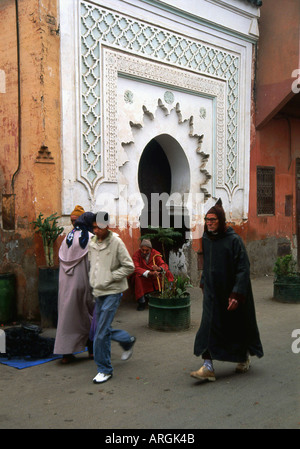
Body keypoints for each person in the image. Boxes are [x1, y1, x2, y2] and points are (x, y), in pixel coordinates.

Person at [191, 199, 263, 382]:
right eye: (207, 220)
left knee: (235, 327)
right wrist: (203, 282)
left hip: (230, 294)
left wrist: (236, 294)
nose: (209, 223)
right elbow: (206, 264)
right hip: (212, 294)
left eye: (213, 220)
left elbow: (243, 268)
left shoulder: (234, 241)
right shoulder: (206, 239)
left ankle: (243, 356)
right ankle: (208, 366)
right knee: (206, 327)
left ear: (221, 220)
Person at [88, 211, 136, 384]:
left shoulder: (116, 242)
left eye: (98, 227)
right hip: (98, 291)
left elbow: (129, 266)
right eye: (93, 227)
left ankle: (104, 369)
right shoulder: (92, 243)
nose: (95, 231)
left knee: (100, 332)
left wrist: (110, 276)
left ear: (106, 226)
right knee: (102, 330)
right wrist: (94, 281)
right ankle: (127, 340)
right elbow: (93, 266)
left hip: (113, 291)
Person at [54, 212, 95, 364]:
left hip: (65, 285)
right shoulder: (89, 239)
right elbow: (93, 264)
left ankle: (66, 354)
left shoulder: (67, 238)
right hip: (83, 284)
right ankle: (92, 351)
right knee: (90, 317)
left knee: (67, 319)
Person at [130, 239, 174, 310]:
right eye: (142, 250)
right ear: (140, 248)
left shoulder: (156, 254)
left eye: (147, 250)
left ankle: (170, 295)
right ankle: (142, 302)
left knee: (168, 273)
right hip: (143, 275)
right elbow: (136, 268)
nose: (144, 252)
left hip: (155, 274)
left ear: (150, 249)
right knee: (137, 277)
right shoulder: (136, 255)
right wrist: (150, 273)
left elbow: (163, 265)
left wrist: (159, 268)